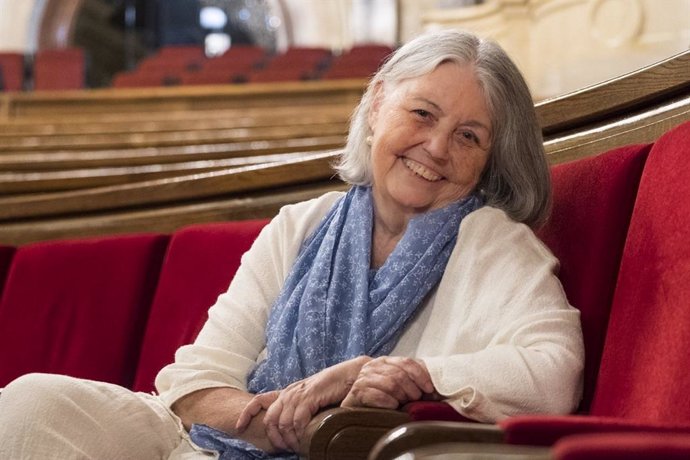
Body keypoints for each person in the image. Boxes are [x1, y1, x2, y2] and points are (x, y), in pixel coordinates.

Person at [0, 29, 584, 459]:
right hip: (210, 443)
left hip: (353, 453)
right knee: (33, 402)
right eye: (422, 114)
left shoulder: (493, 242)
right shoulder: (300, 223)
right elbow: (195, 381)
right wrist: (283, 426)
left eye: (468, 137)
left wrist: (408, 373)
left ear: (488, 162)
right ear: (378, 103)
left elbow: (554, 372)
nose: (435, 147)